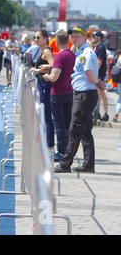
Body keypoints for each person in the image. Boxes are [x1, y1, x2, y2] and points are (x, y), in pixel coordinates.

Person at [55, 27, 100, 173]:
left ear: (84, 38)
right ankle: (88, 164)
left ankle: (65, 163)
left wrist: (98, 82)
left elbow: (88, 73)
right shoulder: (81, 52)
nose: (74, 39)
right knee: (85, 131)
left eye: (77, 37)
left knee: (74, 129)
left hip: (85, 94)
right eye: (72, 37)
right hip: (84, 93)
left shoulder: (85, 53)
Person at [42, 30, 76, 162]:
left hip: (57, 93)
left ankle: (61, 151)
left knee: (59, 123)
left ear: (56, 41)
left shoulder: (60, 57)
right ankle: (68, 150)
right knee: (67, 123)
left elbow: (54, 77)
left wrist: (46, 76)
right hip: (69, 91)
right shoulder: (72, 55)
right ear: (68, 41)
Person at [30, 29, 55, 151]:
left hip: (46, 85)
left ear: (45, 39)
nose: (35, 40)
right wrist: (36, 70)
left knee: (46, 114)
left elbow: (55, 66)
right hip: (41, 84)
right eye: (35, 37)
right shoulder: (41, 51)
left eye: (38, 37)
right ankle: (46, 141)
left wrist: (41, 70)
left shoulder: (46, 51)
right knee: (43, 113)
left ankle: (49, 144)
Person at [93, 31, 109, 122]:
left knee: (101, 93)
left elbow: (99, 62)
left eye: (94, 36)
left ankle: (106, 114)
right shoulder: (97, 47)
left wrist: (94, 73)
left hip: (100, 75)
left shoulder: (101, 48)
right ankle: (97, 112)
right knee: (98, 94)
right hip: (98, 74)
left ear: (98, 38)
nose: (92, 38)